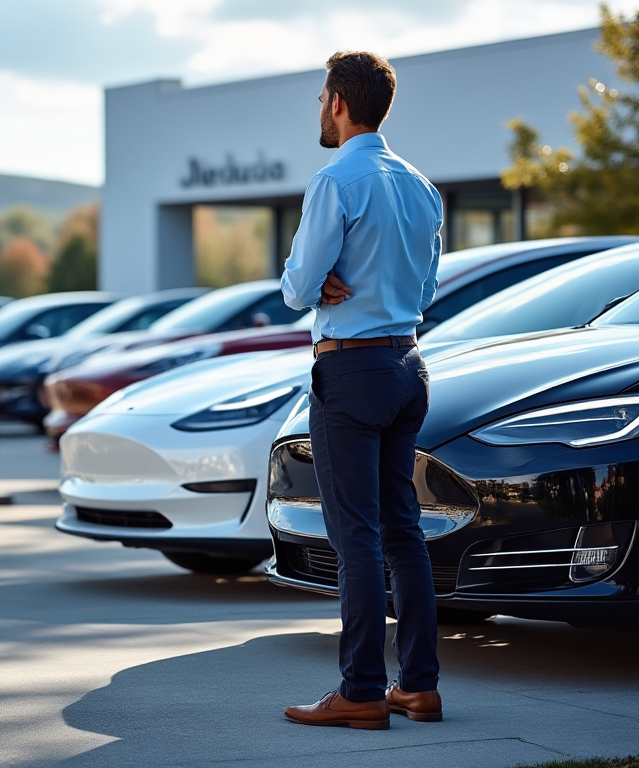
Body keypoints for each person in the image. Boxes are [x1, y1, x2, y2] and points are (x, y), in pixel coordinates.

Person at [279, 51, 444, 730]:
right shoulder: (421, 184)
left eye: (323, 98)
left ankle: (362, 691)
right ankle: (420, 687)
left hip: (350, 372)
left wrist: (314, 279)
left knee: (355, 537)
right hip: (408, 365)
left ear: (340, 103)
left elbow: (295, 287)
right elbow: (426, 290)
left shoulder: (335, 178)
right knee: (403, 532)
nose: (320, 109)